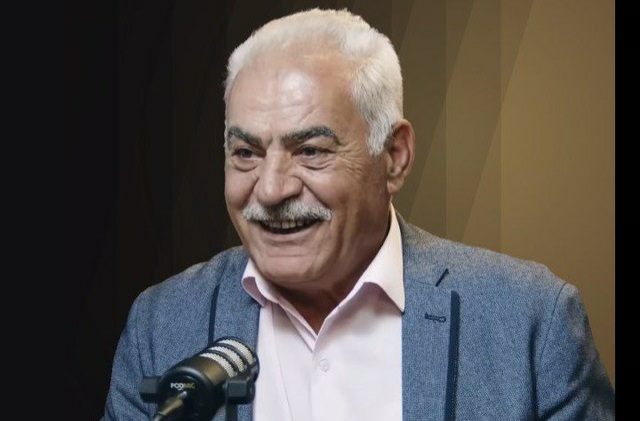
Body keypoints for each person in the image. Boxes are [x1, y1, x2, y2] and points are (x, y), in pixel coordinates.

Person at [101, 8, 615, 421]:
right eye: (246, 153)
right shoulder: (161, 324)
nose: (272, 189)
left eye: (311, 151)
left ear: (394, 157)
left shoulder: (531, 324)